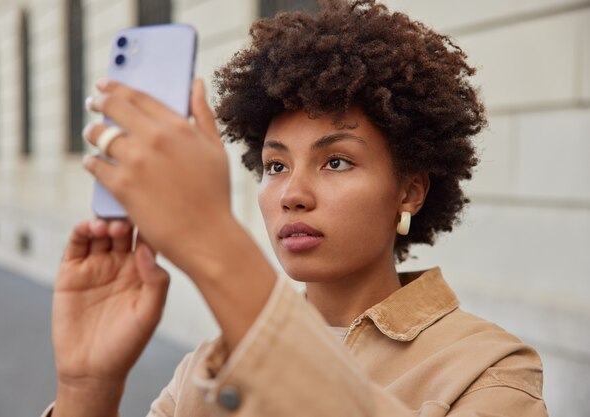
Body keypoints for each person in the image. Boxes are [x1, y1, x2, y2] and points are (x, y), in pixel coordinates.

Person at [44, 1, 548, 416]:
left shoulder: (490, 369)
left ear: (409, 192)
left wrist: (216, 247)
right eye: (276, 166)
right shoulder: (203, 370)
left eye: (335, 161)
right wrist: (86, 387)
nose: (292, 194)